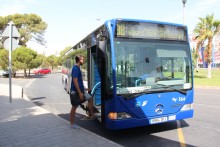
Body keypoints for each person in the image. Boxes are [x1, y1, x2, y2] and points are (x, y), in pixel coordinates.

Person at [69, 55, 94, 129]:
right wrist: (80, 93)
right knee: (74, 107)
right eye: (82, 59)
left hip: (81, 91)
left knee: (90, 99)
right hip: (76, 92)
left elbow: (79, 82)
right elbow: (75, 81)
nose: (83, 60)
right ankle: (72, 124)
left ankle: (91, 115)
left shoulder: (78, 68)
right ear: (79, 60)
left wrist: (85, 89)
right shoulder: (76, 69)